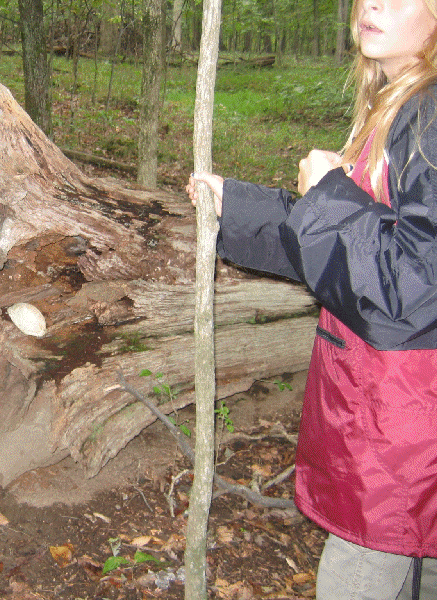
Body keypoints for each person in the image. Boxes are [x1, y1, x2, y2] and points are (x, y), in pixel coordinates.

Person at [187, 0, 437, 598]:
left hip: (404, 435)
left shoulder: (428, 117)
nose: (373, 3)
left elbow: (412, 287)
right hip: (386, 421)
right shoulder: (400, 106)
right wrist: (239, 207)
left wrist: (327, 197)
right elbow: (357, 253)